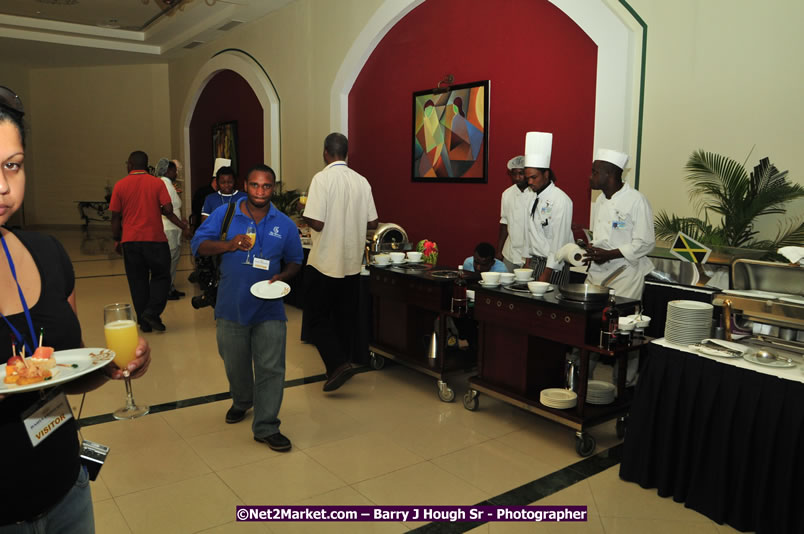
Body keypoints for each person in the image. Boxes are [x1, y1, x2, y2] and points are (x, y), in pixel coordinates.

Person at [1, 85, 151, 532]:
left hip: (67, 490)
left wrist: (109, 366)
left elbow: (68, 368)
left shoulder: (48, 254)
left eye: (12, 165)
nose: (3, 186)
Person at [191, 164, 303, 452]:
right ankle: (242, 400)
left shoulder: (284, 224)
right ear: (245, 185)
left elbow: (295, 260)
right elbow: (198, 245)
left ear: (273, 188)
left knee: (271, 368)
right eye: (255, 185)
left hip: (270, 308)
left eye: (266, 186)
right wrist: (228, 245)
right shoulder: (225, 214)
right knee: (235, 363)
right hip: (231, 304)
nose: (260, 191)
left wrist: (283, 276)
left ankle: (267, 426)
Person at [302, 132, 378, 392]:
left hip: (325, 261)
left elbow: (317, 222)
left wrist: (304, 214)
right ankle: (340, 365)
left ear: (325, 152)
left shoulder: (321, 179)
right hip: (351, 263)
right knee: (344, 317)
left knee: (316, 317)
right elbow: (373, 222)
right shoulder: (361, 181)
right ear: (346, 153)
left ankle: (336, 364)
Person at [584, 148, 655, 385]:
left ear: (610, 174)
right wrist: (593, 251)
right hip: (598, 274)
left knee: (624, 333)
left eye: (595, 172)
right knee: (591, 328)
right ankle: (583, 381)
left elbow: (645, 242)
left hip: (626, 274)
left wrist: (609, 254)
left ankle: (625, 385)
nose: (590, 177)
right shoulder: (601, 200)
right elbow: (603, 238)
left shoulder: (636, 200)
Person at [110, 151, 190, 333]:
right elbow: (168, 209)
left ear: (130, 164)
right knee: (162, 276)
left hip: (130, 241)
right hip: (155, 240)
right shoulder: (156, 183)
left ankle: (144, 322)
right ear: (146, 165)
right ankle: (152, 312)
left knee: (138, 282)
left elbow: (115, 217)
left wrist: (116, 239)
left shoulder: (120, 185)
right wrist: (182, 225)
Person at [522, 131, 573, 285]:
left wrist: (547, 273)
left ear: (546, 174)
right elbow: (529, 232)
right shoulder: (532, 197)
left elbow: (559, 240)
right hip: (535, 262)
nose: (530, 182)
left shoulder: (561, 200)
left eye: (534, 177)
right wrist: (526, 262)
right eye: (527, 178)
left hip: (554, 267)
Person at [496, 155, 534, 271]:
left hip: (531, 253)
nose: (517, 177)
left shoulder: (535, 194)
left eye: (521, 173)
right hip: (510, 251)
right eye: (514, 174)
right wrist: (499, 251)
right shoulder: (507, 194)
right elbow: (504, 223)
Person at [155, 158, 185, 300]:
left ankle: (170, 286)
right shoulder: (164, 184)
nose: (176, 173)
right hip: (169, 229)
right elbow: (167, 210)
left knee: (173, 260)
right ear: (168, 171)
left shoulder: (168, 184)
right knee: (169, 261)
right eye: (174, 170)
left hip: (174, 228)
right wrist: (183, 226)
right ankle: (165, 290)